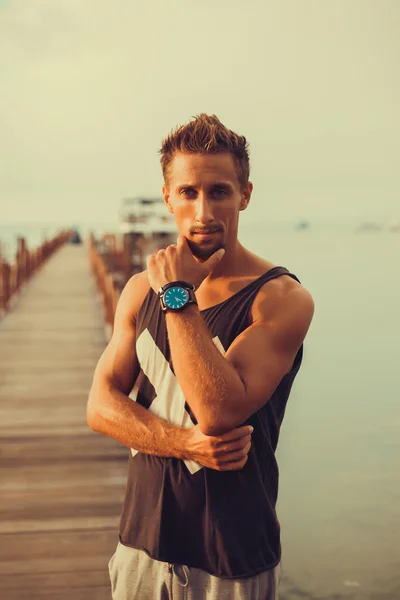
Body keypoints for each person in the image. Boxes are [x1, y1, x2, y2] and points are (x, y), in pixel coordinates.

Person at [87, 113, 314, 599]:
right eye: (188, 192)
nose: (203, 211)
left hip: (230, 557)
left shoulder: (279, 299)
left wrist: (176, 293)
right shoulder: (135, 291)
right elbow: (100, 406)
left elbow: (217, 411)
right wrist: (183, 445)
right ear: (168, 196)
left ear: (245, 195)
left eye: (219, 191)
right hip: (140, 546)